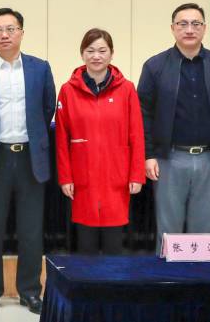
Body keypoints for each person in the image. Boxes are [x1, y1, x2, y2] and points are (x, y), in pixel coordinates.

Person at [0, 8, 55, 316]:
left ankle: (30, 291)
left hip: (31, 158)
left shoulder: (40, 68)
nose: (4, 35)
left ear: (21, 33)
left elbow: (47, 108)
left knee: (31, 232)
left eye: (11, 29)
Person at [137, 3, 210, 254]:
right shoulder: (155, 66)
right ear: (172, 28)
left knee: (205, 232)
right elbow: (143, 114)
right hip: (168, 159)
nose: (189, 29)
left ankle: (203, 278)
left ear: (204, 28)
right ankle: (166, 278)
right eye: (182, 24)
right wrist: (148, 154)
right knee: (168, 231)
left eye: (196, 24)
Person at [55, 28, 145, 255]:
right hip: (82, 175)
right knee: (86, 246)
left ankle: (113, 280)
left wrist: (136, 175)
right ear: (82, 54)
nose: (96, 56)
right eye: (90, 50)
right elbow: (62, 139)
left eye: (102, 51)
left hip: (116, 176)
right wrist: (65, 177)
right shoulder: (67, 91)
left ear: (112, 54)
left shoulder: (127, 89)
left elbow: (136, 135)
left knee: (114, 246)